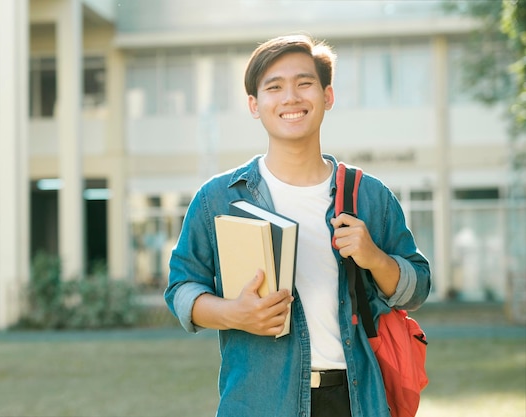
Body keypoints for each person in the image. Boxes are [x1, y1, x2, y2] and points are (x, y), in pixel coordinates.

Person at [165, 34, 431, 417]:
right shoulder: (218, 198)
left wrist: (375, 258)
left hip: (355, 401)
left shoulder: (369, 196)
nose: (291, 98)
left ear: (328, 96)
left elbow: (417, 287)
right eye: (274, 87)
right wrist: (234, 313)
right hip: (259, 401)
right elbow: (181, 288)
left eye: (304, 83)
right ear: (255, 105)